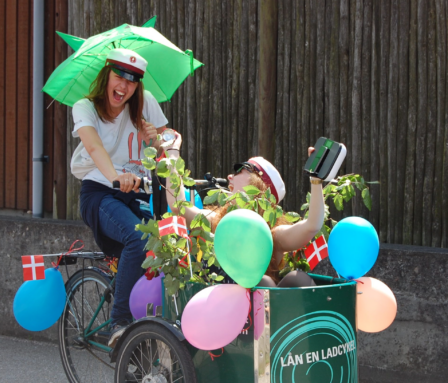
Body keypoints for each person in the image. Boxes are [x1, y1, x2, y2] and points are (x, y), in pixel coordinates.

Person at [71, 48, 169, 347]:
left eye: (133, 81)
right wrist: (116, 175)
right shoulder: (85, 107)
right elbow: (94, 147)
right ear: (107, 76)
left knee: (166, 248)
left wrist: (156, 140)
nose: (124, 87)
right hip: (100, 192)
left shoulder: (145, 103)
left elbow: (167, 152)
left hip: (138, 194)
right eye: (119, 77)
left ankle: (146, 342)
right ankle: (119, 322)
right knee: (138, 239)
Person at [164, 132, 325, 285]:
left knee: (282, 280)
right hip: (219, 310)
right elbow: (178, 205)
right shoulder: (217, 221)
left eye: (240, 169)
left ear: (259, 184)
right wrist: (172, 153)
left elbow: (312, 226)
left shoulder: (273, 236)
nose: (229, 176)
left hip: (256, 313)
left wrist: (316, 180)